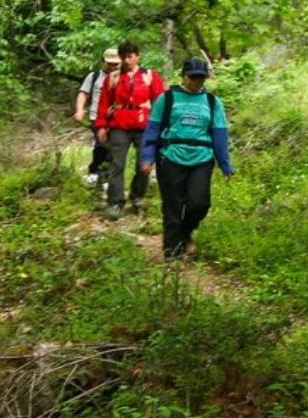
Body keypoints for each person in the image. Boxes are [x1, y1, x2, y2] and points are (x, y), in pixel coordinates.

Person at [139, 57, 235, 260]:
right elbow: (153, 129)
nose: (196, 82)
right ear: (183, 76)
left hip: (202, 158)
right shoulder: (167, 99)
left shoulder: (212, 102)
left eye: (201, 78)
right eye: (192, 77)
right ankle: (172, 252)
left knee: (199, 204)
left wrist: (225, 164)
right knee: (172, 205)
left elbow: (219, 134)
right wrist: (147, 157)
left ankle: (185, 232)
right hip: (170, 157)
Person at [94, 41, 165, 220]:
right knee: (117, 164)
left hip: (145, 125)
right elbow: (103, 103)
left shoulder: (150, 76)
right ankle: (115, 202)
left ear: (137, 56)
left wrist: (162, 126)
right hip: (119, 124)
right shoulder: (113, 78)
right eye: (123, 57)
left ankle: (137, 195)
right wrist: (101, 126)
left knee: (145, 164)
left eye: (130, 56)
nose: (127, 60)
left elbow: (161, 102)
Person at [74, 48, 120, 186]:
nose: (112, 67)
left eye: (115, 64)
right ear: (102, 62)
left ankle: (107, 176)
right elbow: (83, 94)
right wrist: (80, 110)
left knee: (114, 147)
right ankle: (95, 171)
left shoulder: (123, 78)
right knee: (101, 144)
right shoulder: (93, 77)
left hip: (117, 119)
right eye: (109, 64)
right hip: (97, 117)